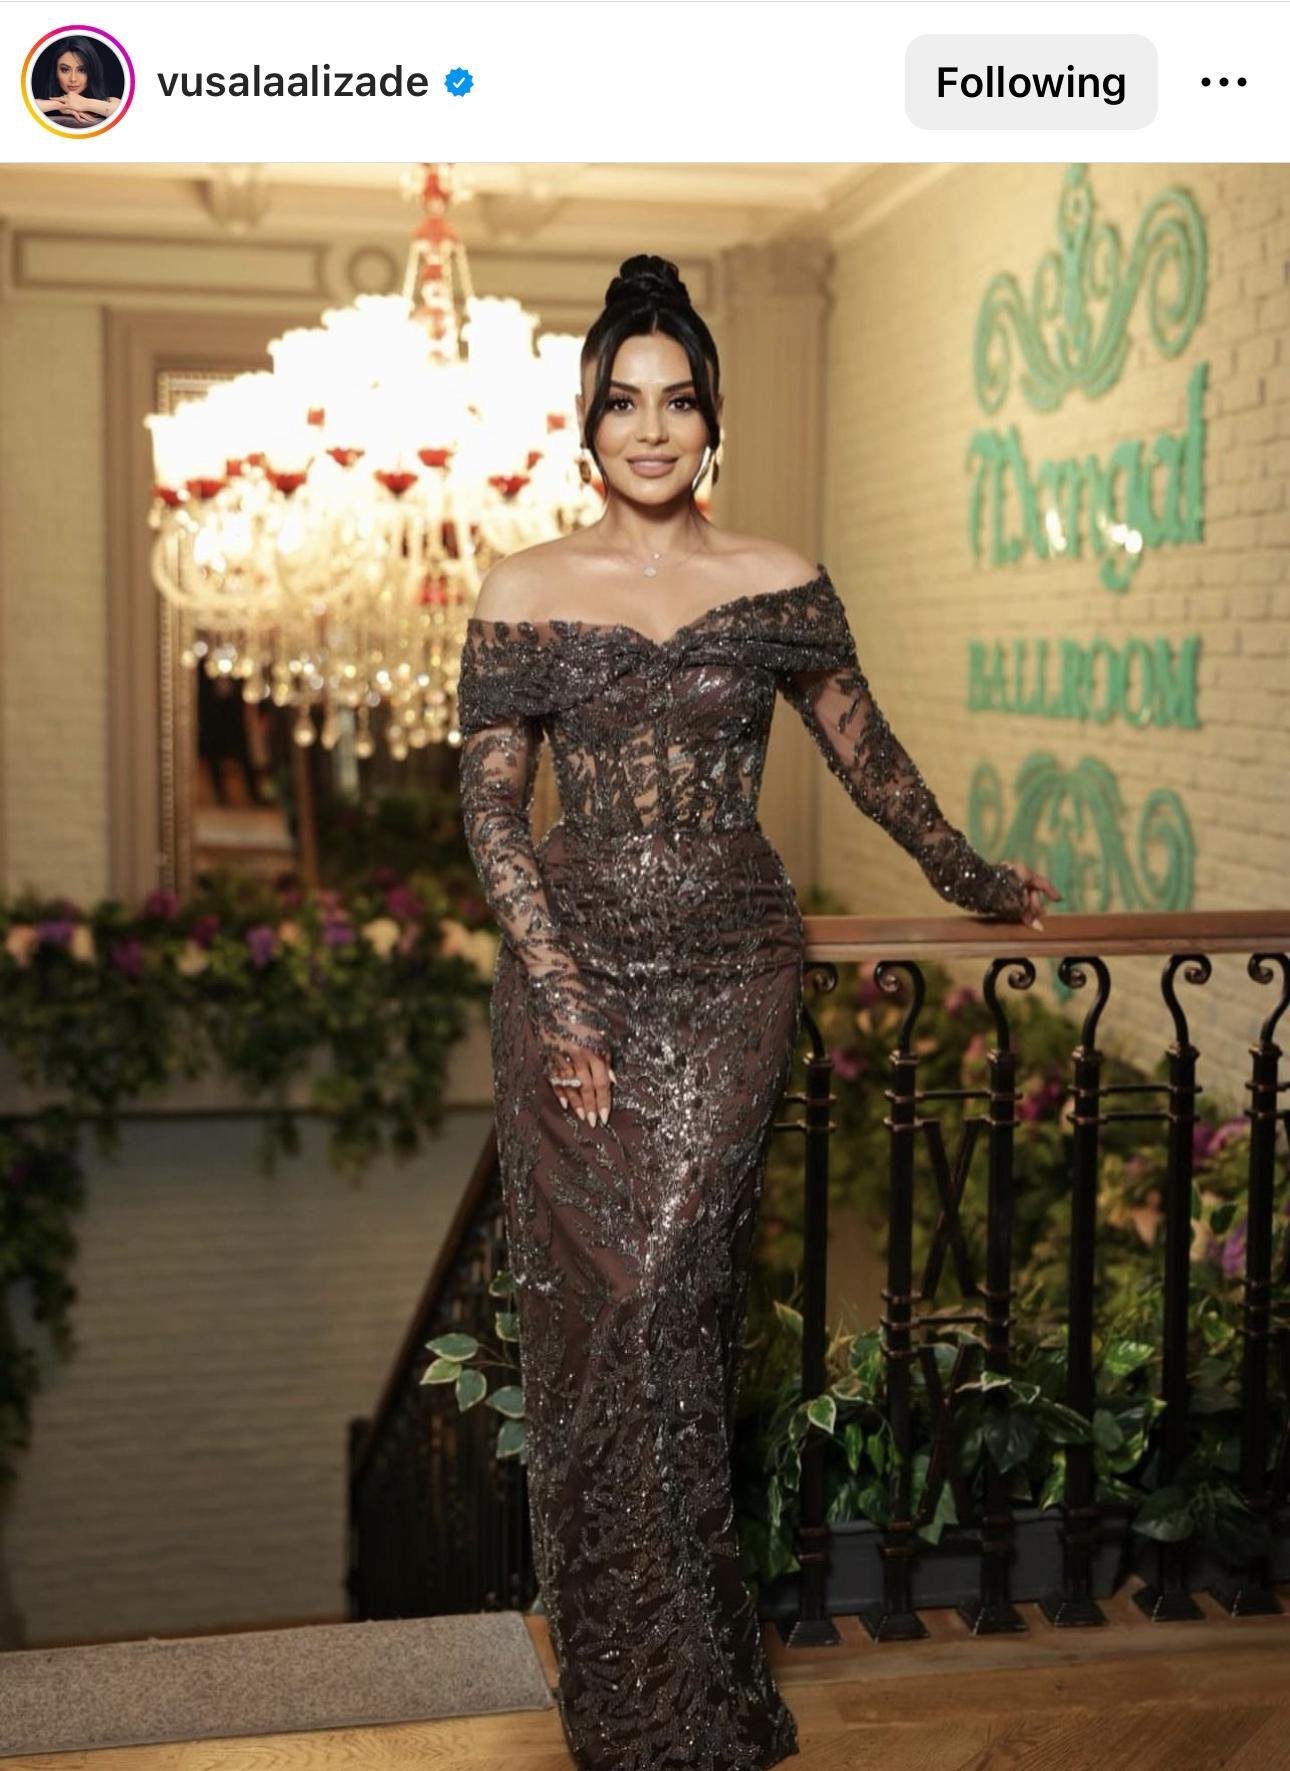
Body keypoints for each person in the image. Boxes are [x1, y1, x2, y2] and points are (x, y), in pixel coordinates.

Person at [455, 253, 1058, 1770]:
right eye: (622, 402)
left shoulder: (778, 580)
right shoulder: (522, 587)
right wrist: (565, 996)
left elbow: (868, 756)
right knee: (608, 1321)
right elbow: (492, 812)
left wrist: (975, 877)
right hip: (574, 979)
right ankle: (640, 1681)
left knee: (671, 1291)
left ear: (711, 418)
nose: (650, 428)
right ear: (586, 422)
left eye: (677, 401)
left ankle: (695, 1672)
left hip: (732, 972)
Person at [34, 38, 122, 128]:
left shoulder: (110, 102)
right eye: (65, 70)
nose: (73, 79)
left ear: (92, 72)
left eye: (82, 70)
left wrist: (85, 103)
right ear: (56, 72)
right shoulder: (42, 104)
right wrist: (60, 105)